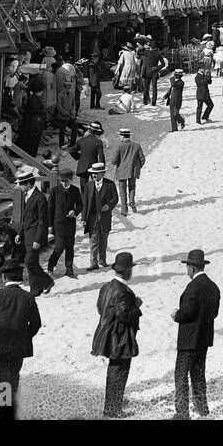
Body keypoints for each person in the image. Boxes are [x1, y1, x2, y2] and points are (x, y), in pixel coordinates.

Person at [0, 263, 42, 419]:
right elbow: (36, 323)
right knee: (13, 377)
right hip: (18, 346)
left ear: (3, 277)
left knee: (2, 380)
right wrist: (25, 337)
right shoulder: (28, 297)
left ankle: (5, 414)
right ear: (20, 277)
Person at [91, 251, 142, 418]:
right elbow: (124, 316)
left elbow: (100, 308)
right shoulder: (124, 292)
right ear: (128, 271)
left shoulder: (106, 286)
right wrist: (136, 306)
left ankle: (112, 403)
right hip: (118, 336)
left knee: (114, 370)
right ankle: (113, 408)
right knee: (119, 372)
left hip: (106, 332)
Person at [172, 249, 221, 420]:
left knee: (181, 376)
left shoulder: (192, 288)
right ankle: (202, 409)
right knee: (199, 376)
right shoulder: (213, 287)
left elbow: (187, 313)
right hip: (204, 339)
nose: (187, 270)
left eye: (187, 267)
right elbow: (214, 313)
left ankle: (182, 412)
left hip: (188, 340)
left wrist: (176, 315)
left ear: (192, 268)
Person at [17, 166, 54, 296]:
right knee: (32, 263)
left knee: (29, 262)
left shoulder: (40, 198)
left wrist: (38, 239)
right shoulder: (26, 196)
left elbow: (42, 221)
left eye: (21, 185)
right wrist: (20, 233)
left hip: (35, 236)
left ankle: (47, 281)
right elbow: (25, 218)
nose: (20, 188)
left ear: (27, 184)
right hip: (27, 234)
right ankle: (35, 289)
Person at [46, 167, 81, 278]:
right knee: (59, 248)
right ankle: (50, 267)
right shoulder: (55, 191)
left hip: (70, 224)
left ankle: (69, 271)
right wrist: (50, 225)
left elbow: (81, 205)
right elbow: (50, 209)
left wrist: (74, 211)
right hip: (58, 224)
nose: (64, 183)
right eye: (62, 181)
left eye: (66, 180)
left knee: (70, 248)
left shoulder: (75, 190)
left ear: (71, 179)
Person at [82, 163, 117, 271]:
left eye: (96, 174)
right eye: (93, 174)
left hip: (105, 216)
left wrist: (109, 206)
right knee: (93, 240)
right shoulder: (89, 185)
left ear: (102, 173)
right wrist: (83, 218)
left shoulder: (110, 184)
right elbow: (85, 202)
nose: (94, 176)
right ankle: (93, 263)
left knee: (103, 238)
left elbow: (115, 198)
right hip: (92, 217)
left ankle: (102, 260)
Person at [108, 127, 146, 216]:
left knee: (122, 191)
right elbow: (142, 159)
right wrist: (137, 167)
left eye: (119, 136)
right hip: (133, 171)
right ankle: (132, 201)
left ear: (122, 136)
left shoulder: (120, 146)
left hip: (121, 171)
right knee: (132, 187)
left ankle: (124, 210)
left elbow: (113, 161)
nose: (119, 138)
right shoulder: (137, 145)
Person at [68, 121, 105, 194]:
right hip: (94, 166)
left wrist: (79, 157)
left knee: (83, 188)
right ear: (96, 132)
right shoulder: (98, 142)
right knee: (96, 186)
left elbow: (71, 150)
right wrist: (102, 169)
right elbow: (101, 157)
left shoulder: (81, 140)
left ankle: (84, 203)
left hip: (82, 165)